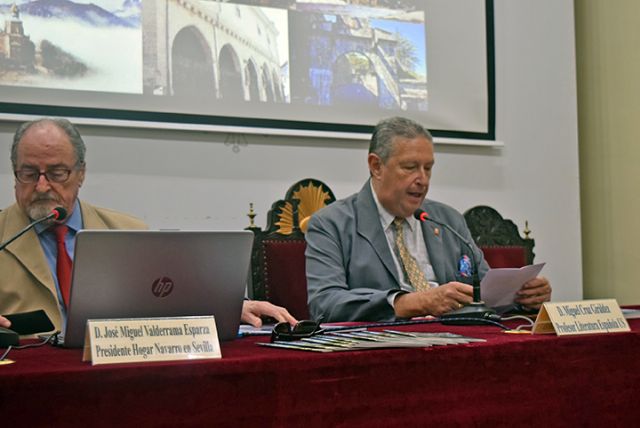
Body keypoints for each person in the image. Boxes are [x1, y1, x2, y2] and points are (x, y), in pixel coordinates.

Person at [0, 118, 295, 333]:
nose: (41, 186)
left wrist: (230, 308)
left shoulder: (127, 231)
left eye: (56, 173)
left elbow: (170, 302)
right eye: (28, 173)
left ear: (81, 174)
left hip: (116, 377)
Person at [305, 116, 551, 322]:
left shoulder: (447, 220)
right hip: (382, 351)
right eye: (410, 167)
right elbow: (325, 304)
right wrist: (410, 303)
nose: (422, 179)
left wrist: (523, 297)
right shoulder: (332, 224)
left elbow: (485, 295)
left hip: (454, 344)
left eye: (428, 168)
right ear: (376, 166)